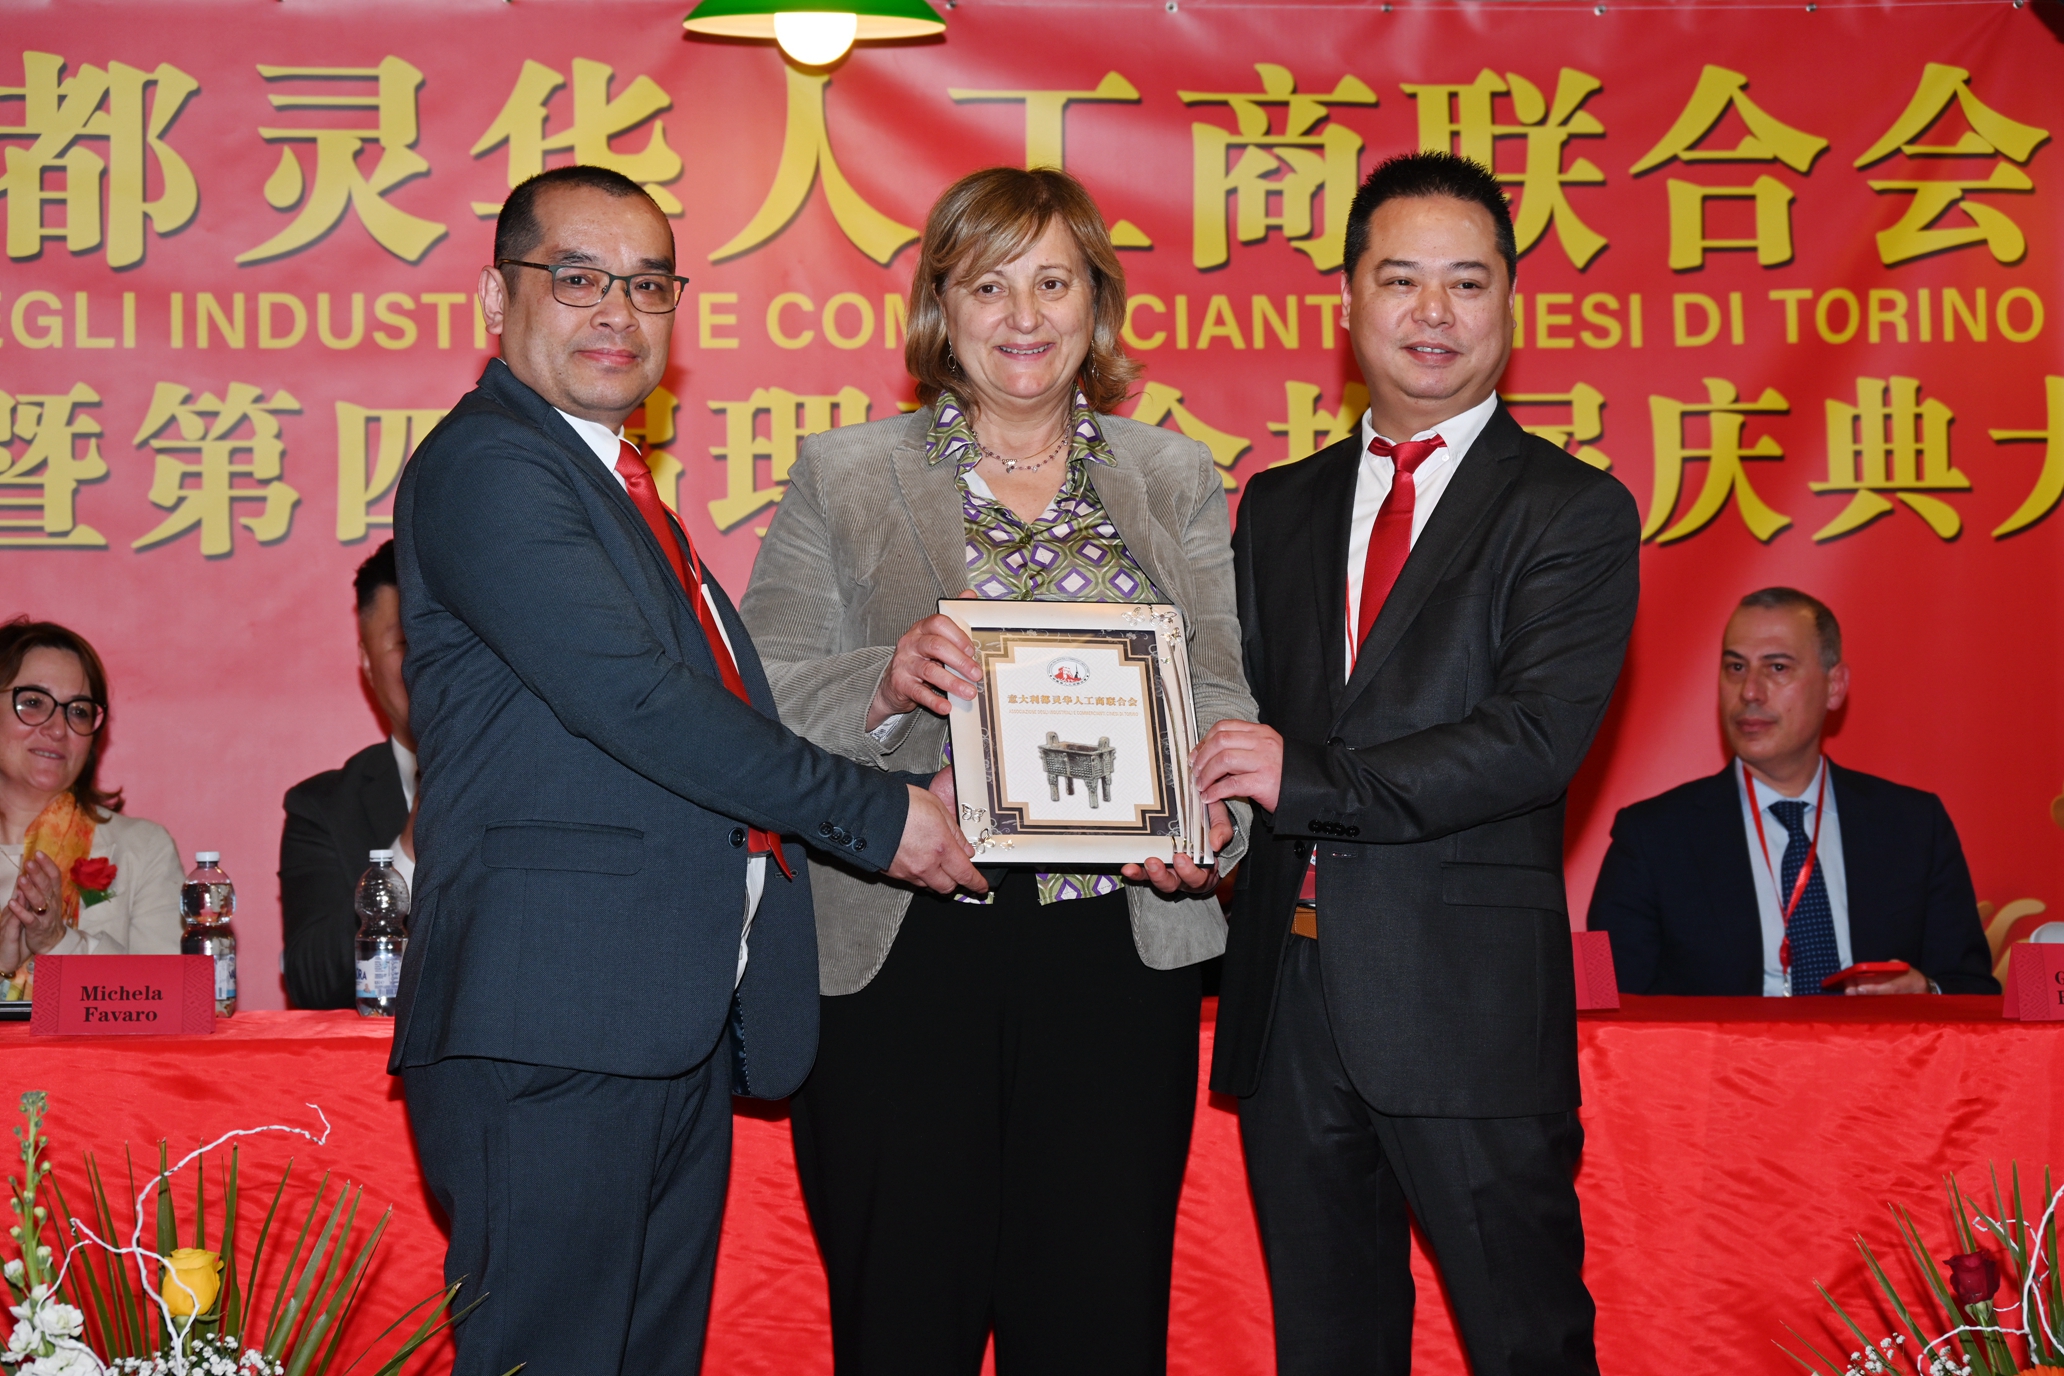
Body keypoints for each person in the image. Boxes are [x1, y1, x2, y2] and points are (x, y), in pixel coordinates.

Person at [389, 164, 981, 1376]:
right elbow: (643, 702)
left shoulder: (616, 487)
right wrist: (882, 817)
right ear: (495, 300)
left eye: (649, 284)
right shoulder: (491, 465)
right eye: (579, 279)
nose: (619, 311)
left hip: (662, 1017)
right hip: (552, 1023)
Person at [740, 165, 1257, 1376]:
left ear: (1097, 305)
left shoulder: (1172, 474)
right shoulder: (846, 473)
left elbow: (1220, 692)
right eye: (989, 285)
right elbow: (762, 693)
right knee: (902, 1324)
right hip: (907, 947)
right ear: (943, 306)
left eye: (1054, 284)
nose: (1024, 316)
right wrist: (883, 679)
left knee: (1096, 1326)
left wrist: (1211, 825)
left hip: (1115, 951)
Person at [1193, 152, 1640, 1376]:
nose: (1432, 312)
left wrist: (1301, 778)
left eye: (1467, 282)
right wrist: (1192, 814)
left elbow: (1532, 738)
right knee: (1326, 1346)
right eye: (1400, 280)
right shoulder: (1277, 506)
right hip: (1288, 1000)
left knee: (1527, 1342)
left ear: (1511, 303)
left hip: (1466, 1008)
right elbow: (1237, 711)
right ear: (1349, 300)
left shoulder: (1572, 510)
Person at [1589, 587, 1996, 997]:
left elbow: (1974, 990)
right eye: (1735, 667)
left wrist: (1926, 992)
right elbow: (1602, 1005)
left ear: (1835, 686)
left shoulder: (1914, 826)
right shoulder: (1650, 837)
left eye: (1777, 668)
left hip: (1873, 1041)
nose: (1749, 691)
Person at [0, 618, 182, 999]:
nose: (58, 729)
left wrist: (58, 943)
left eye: (78, 711)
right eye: (32, 703)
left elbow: (172, 1002)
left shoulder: (142, 850)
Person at [279, 540, 415, 1009]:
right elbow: (313, 985)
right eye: (407, 642)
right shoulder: (323, 808)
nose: (430, 662)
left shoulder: (544, 782)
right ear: (366, 661)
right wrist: (411, 847)